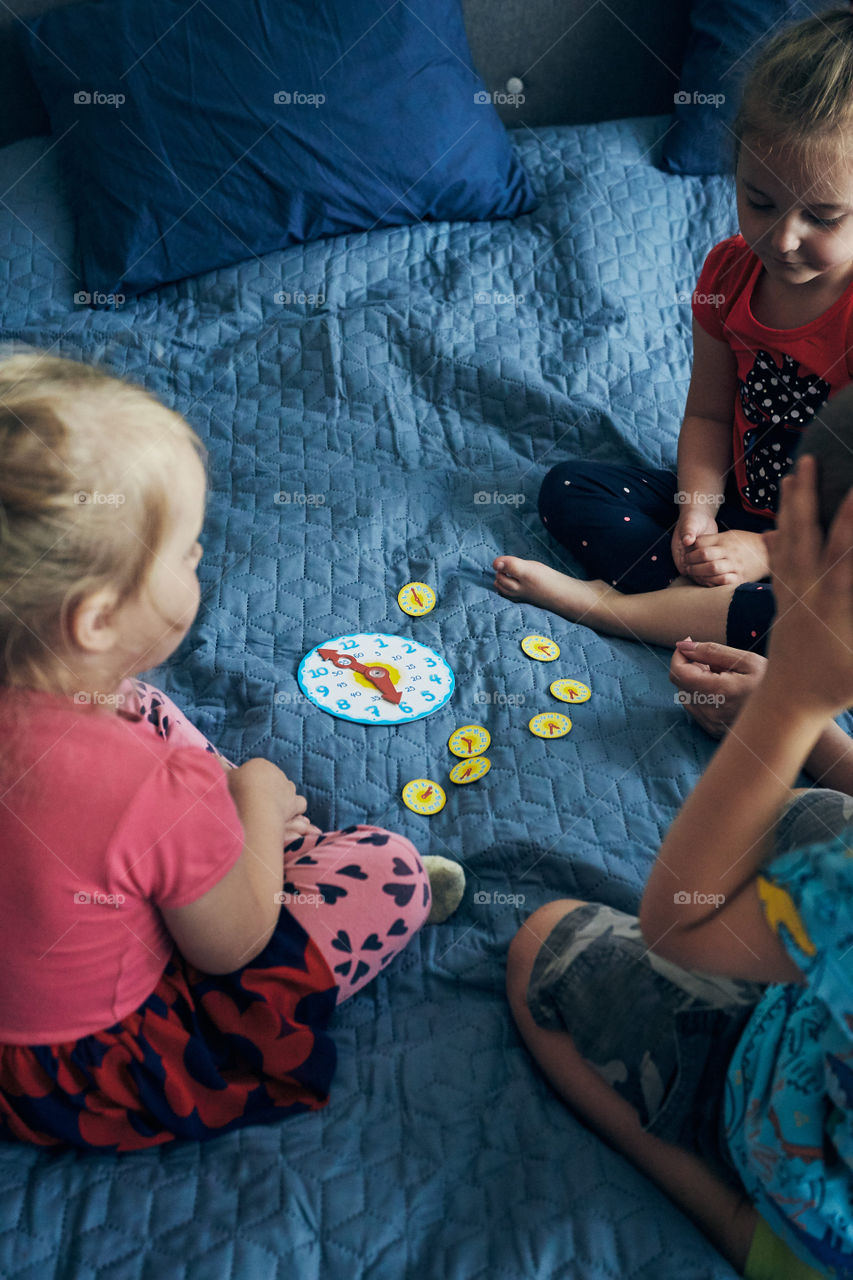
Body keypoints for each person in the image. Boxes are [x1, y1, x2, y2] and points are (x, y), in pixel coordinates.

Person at [0, 350, 463, 1152]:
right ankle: (262, 851)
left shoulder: (100, 714)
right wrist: (255, 796)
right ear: (97, 620)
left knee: (144, 707)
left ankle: (213, 850)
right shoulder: (149, 782)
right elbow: (229, 946)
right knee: (385, 869)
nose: (200, 560)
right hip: (82, 1070)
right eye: (185, 552)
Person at [507, 446, 853, 1278]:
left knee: (538, 947)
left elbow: (676, 921)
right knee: (811, 815)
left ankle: (747, 1227)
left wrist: (784, 709)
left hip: (810, 1188)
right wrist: (813, 735)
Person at [494, 8, 853, 656]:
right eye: (760, 201)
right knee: (570, 490)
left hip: (829, 546)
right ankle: (705, 606)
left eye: (822, 217)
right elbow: (710, 416)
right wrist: (697, 513)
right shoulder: (729, 275)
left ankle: (613, 609)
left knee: (828, 627)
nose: (783, 238)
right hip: (739, 507)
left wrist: (768, 552)